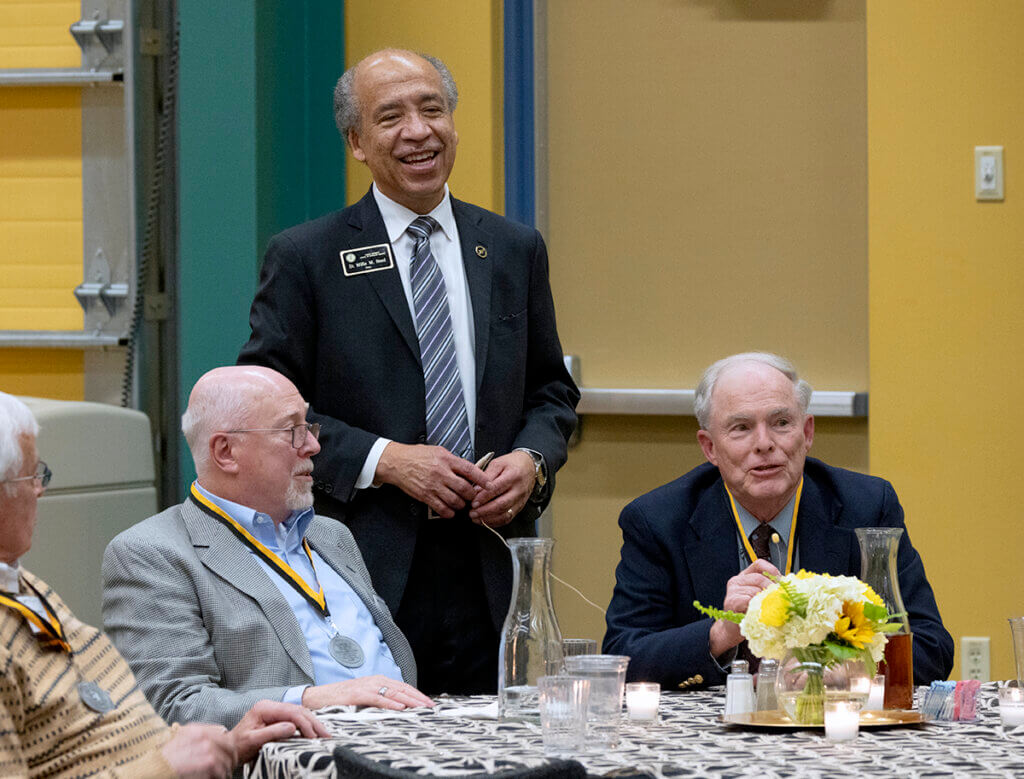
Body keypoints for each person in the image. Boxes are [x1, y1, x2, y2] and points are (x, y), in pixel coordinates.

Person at [237, 49, 579, 694]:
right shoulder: (307, 257)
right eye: (390, 116)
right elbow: (264, 406)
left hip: (494, 564)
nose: (418, 130)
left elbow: (551, 389)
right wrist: (386, 459)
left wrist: (533, 460)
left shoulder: (512, 247)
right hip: (364, 562)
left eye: (432, 108)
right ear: (357, 143)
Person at [0, 390, 327, 778]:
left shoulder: (21, 583)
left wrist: (232, 743)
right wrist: (164, 768)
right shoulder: (150, 552)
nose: (41, 489)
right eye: (32, 475)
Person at [103, 367, 432, 730]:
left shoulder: (331, 536)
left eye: (309, 427)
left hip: (410, 743)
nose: (313, 446)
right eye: (292, 431)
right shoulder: (152, 553)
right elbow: (174, 705)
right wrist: (313, 700)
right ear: (226, 452)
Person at [603, 352, 954, 687]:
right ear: (710, 447)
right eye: (741, 428)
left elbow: (931, 646)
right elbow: (622, 655)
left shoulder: (866, 507)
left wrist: (848, 667)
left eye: (781, 423)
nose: (764, 443)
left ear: (808, 432)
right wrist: (718, 635)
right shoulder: (658, 520)